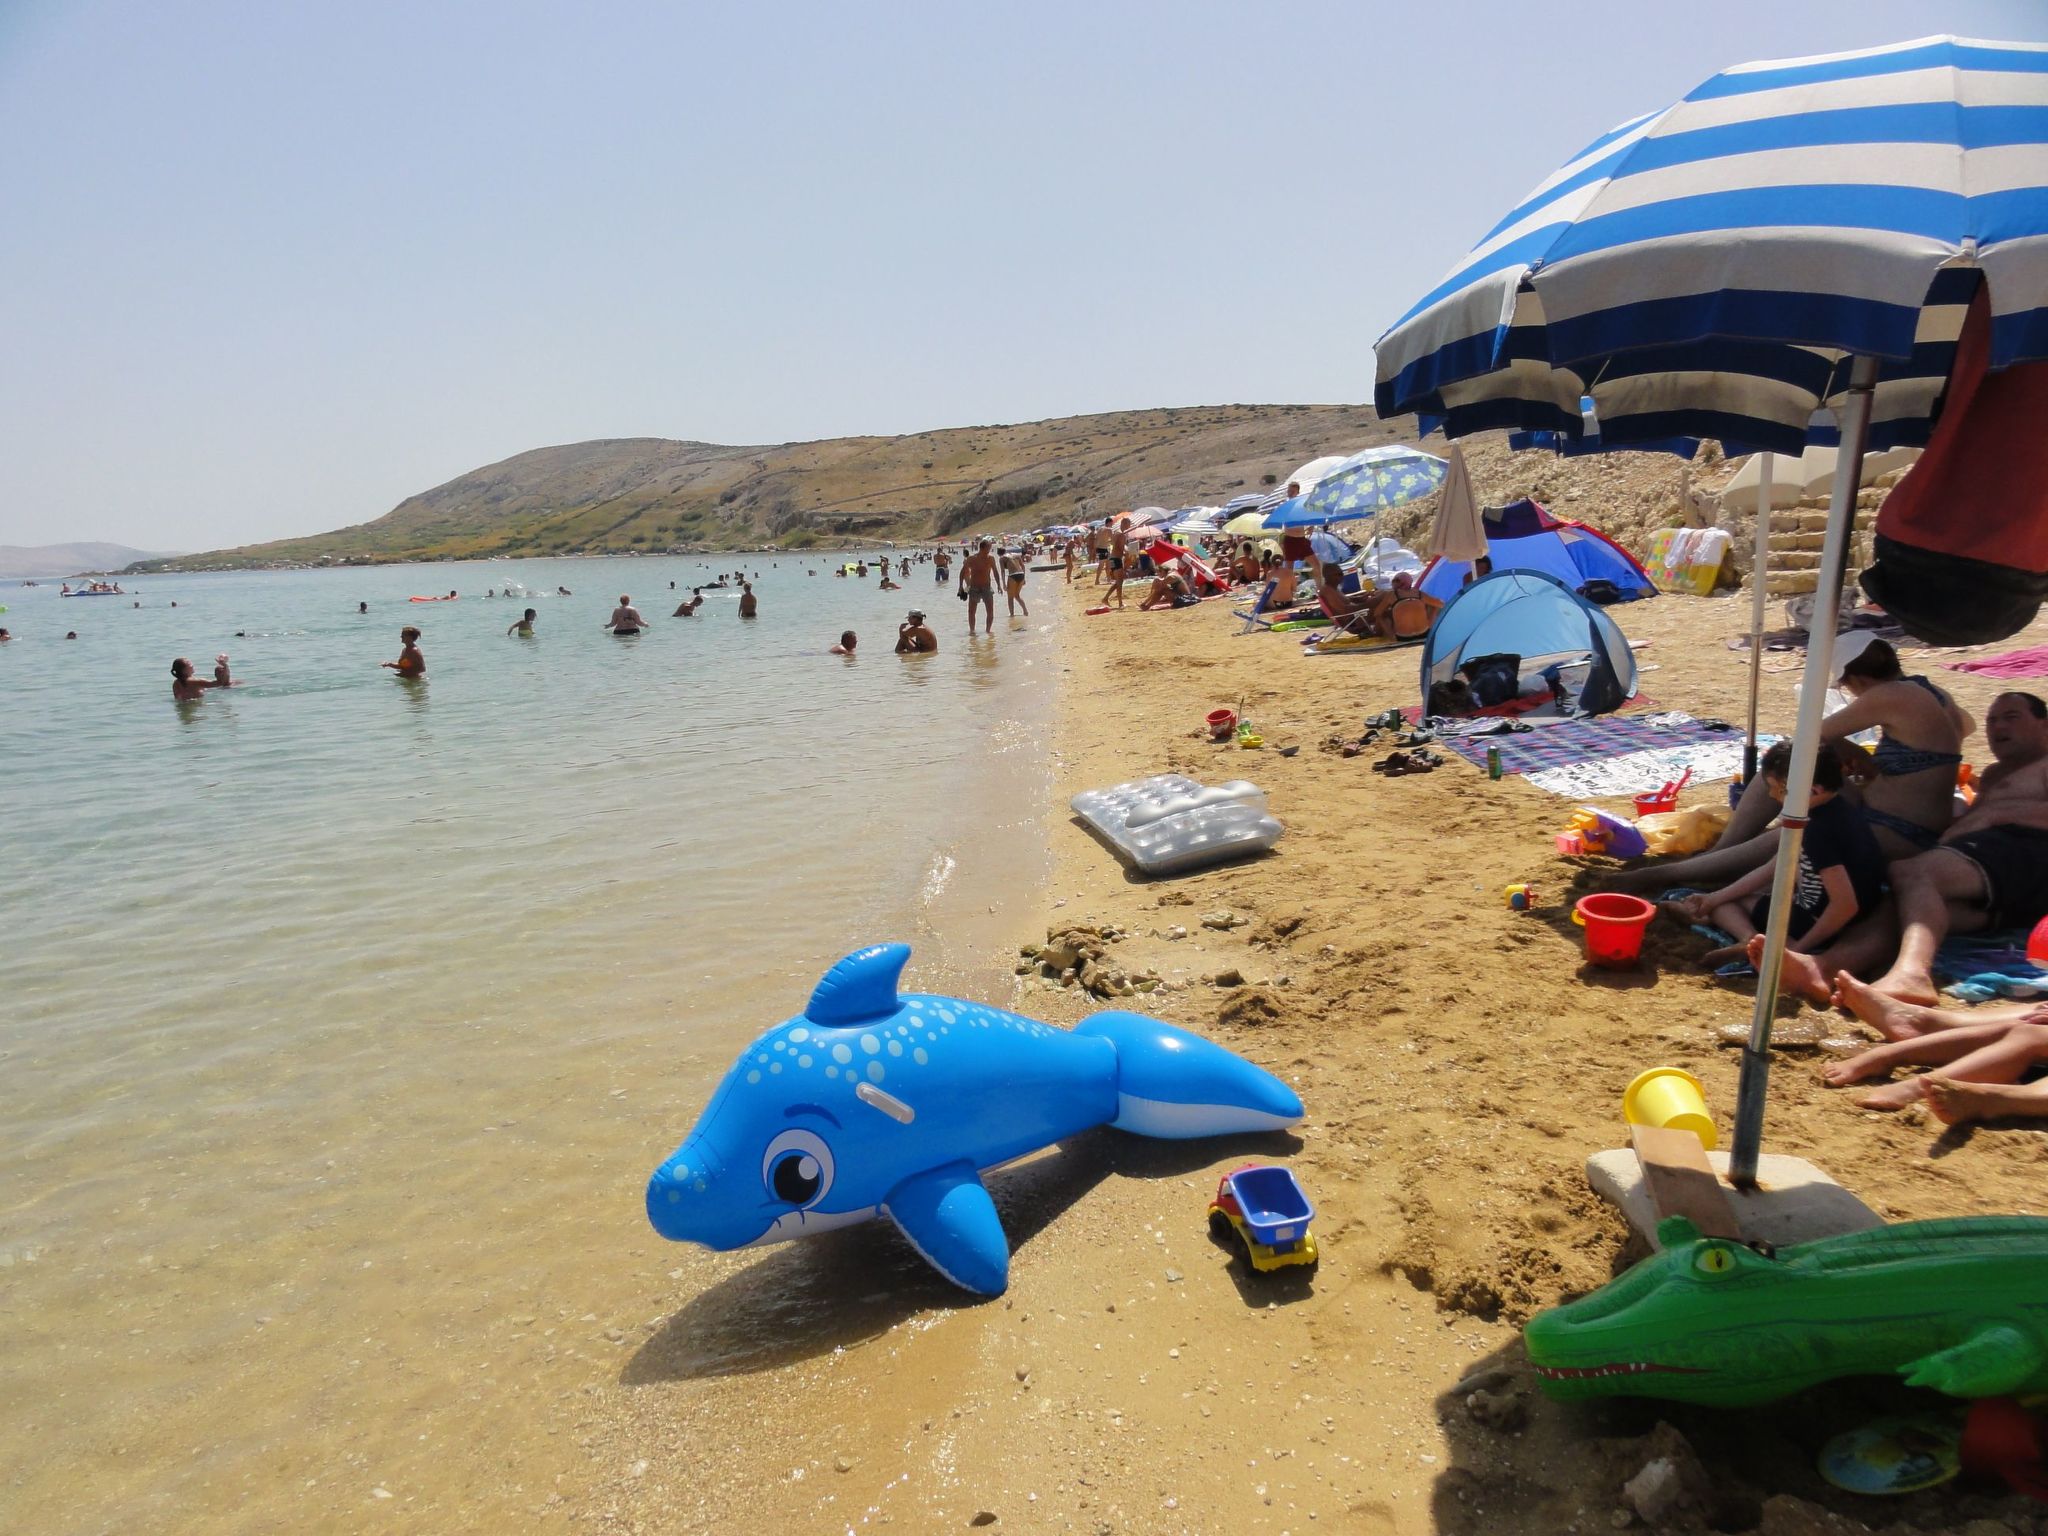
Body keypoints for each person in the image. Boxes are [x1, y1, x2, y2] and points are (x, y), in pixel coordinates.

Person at [1609, 639, 1975, 895]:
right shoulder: (1931, 692)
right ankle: (1721, 856)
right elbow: (1964, 727)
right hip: (1911, 820)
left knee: (1789, 807)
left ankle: (1678, 872)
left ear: (1857, 679)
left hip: (1896, 831)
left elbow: (1809, 735)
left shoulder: (1888, 696)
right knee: (1791, 777)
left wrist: (1849, 749)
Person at [1762, 692, 2048, 1006]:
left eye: (2011, 716)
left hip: (2027, 853)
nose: (1997, 727)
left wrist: (1997, 815)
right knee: (1904, 910)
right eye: (1992, 719)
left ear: (2044, 724)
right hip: (2007, 885)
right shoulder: (1994, 774)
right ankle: (1822, 968)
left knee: (1911, 871)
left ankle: (1911, 974)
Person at [1667, 741, 1885, 963]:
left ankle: (1750, 940)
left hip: (1819, 920)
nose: (1772, 795)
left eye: (1779, 789)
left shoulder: (1816, 832)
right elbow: (1777, 866)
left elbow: (1845, 905)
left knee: (1727, 905)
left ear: (1812, 790)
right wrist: (1713, 897)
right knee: (1728, 897)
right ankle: (1721, 916)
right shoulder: (1839, 809)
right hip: (1853, 912)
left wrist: (1800, 948)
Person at [959, 539, 998, 635]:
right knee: (971, 611)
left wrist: (999, 585)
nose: (990, 549)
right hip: (974, 588)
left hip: (986, 587)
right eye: (989, 548)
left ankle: (988, 631)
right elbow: (963, 571)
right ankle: (972, 631)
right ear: (983, 548)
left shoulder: (991, 558)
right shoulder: (972, 558)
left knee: (990, 611)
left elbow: (995, 572)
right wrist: (960, 586)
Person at [1001, 546, 1029, 616]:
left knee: (1010, 598)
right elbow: (1023, 566)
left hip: (1013, 575)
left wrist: (1004, 584)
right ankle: (1025, 611)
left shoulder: (1002, 558)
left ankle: (1012, 615)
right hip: (1021, 574)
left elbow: (1002, 571)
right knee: (1017, 595)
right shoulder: (1017, 555)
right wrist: (1024, 578)